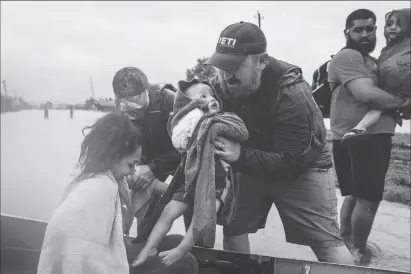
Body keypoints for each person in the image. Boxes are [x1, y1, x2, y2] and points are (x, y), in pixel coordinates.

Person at [203, 21, 354, 264]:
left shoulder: (293, 94)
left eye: (235, 66)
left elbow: (293, 160)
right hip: (249, 160)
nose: (226, 75)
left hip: (302, 166)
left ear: (261, 62)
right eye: (222, 66)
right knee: (234, 229)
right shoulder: (220, 86)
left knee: (326, 243)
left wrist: (241, 156)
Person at [37, 112, 197, 274]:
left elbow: (155, 185)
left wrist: (192, 196)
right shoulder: (100, 189)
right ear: (116, 156)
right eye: (131, 165)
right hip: (94, 267)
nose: (134, 171)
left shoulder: (97, 172)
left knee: (176, 242)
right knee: (185, 262)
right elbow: (80, 260)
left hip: (105, 256)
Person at [133, 79, 248, 267]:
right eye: (202, 96)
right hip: (190, 179)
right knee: (169, 210)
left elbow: (242, 132)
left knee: (200, 218)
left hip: (216, 181)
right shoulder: (189, 124)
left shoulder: (224, 117)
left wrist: (215, 124)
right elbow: (176, 132)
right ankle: (150, 247)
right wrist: (195, 109)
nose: (210, 98)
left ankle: (181, 249)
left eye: (211, 94)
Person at [328, 9, 410, 265]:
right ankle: (358, 252)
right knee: (369, 198)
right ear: (347, 33)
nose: (365, 33)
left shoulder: (373, 61)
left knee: (353, 195)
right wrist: (400, 102)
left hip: (345, 136)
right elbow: (365, 94)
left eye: (370, 28)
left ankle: (346, 242)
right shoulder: (349, 56)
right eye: (358, 29)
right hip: (369, 136)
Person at [112, 67, 181, 231]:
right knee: (145, 214)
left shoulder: (171, 103)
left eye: (137, 104)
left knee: (189, 208)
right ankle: (140, 242)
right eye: (128, 107)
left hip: (177, 157)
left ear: (147, 90)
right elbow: (124, 146)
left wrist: (152, 169)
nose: (134, 111)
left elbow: (186, 149)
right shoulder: (120, 111)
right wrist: (135, 168)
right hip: (145, 160)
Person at [340, 8, 411, 145]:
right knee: (378, 106)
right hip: (393, 96)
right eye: (389, 24)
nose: (392, 28)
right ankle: (359, 128)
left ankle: (359, 128)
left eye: (399, 24)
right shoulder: (389, 50)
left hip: (399, 92)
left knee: (378, 106)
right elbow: (366, 93)